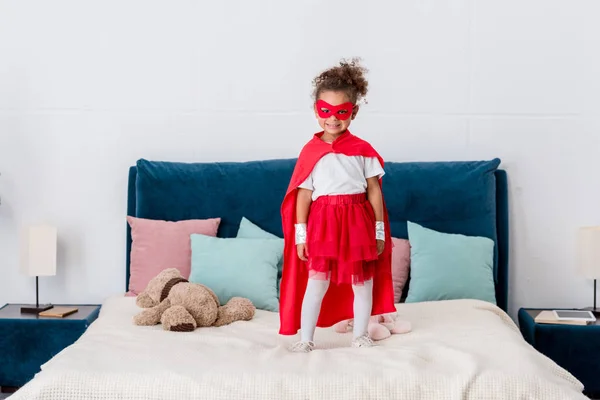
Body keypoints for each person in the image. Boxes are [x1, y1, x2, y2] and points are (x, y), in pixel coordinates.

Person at [278, 58, 396, 352]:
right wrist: (301, 236)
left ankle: (361, 335)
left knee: (362, 283)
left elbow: (374, 192)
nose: (333, 118)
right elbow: (303, 195)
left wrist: (379, 231)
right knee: (316, 284)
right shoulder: (311, 151)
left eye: (341, 112)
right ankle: (306, 339)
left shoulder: (363, 151)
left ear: (353, 112)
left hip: (358, 222)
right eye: (325, 111)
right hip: (323, 224)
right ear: (316, 111)